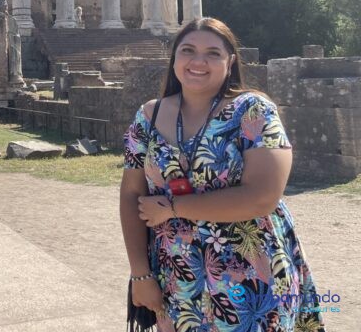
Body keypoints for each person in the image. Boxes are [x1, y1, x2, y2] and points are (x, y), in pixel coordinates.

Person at [120, 17, 325, 332]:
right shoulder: (149, 116)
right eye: (187, 50)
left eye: (213, 53)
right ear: (174, 58)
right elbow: (131, 195)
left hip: (253, 274)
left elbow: (261, 197)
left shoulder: (253, 111)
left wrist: (173, 208)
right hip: (176, 275)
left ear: (230, 62)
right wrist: (140, 274)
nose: (198, 61)